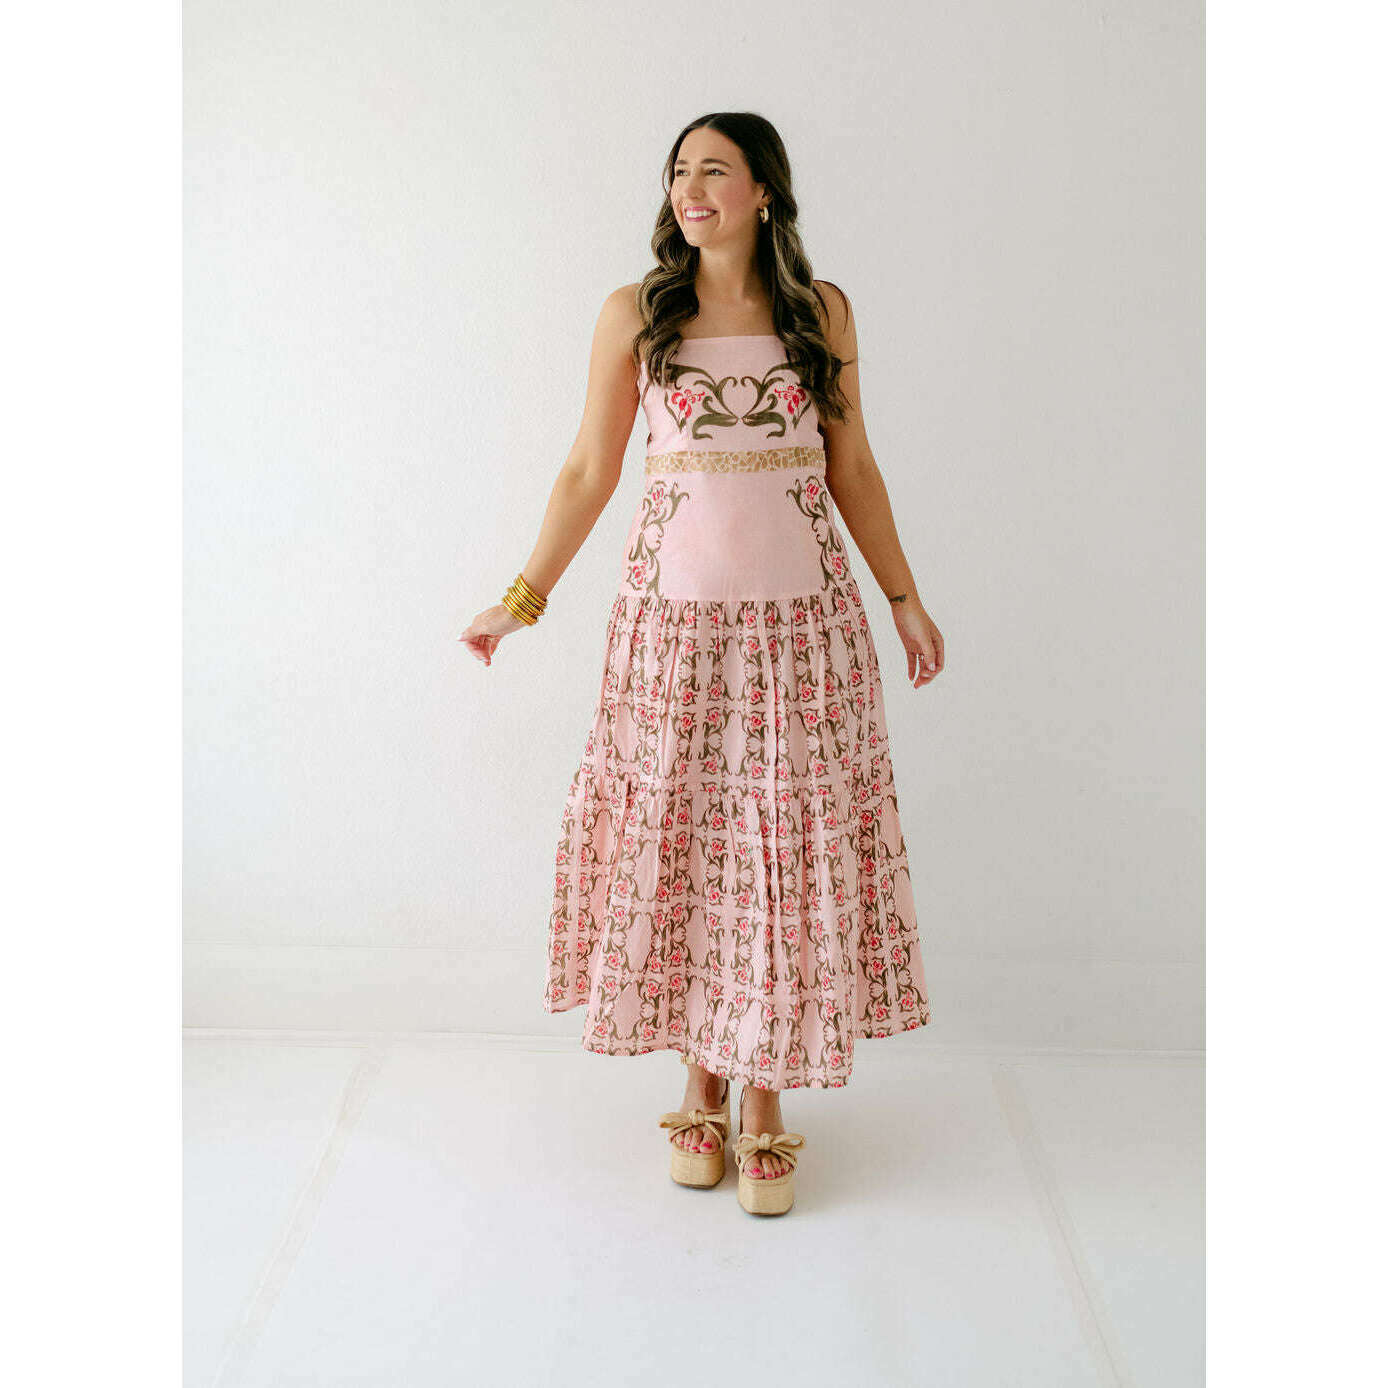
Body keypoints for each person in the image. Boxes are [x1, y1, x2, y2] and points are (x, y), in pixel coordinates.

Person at [459, 112, 944, 1216]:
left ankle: (764, 1096)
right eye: (680, 171)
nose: (691, 189)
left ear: (764, 191)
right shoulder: (636, 315)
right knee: (687, 845)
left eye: (715, 171)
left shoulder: (821, 313)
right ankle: (700, 1083)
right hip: (671, 635)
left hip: (801, 637)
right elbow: (588, 469)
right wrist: (522, 598)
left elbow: (853, 465)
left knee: (776, 851)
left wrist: (904, 599)